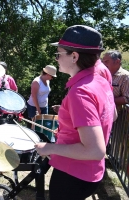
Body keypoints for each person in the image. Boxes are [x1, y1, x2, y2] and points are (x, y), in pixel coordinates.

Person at [35, 25, 115, 200]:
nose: (56, 59)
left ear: (74, 56)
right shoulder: (100, 81)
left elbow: (95, 150)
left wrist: (50, 147)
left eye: (58, 54)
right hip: (91, 173)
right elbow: (112, 115)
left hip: (73, 174)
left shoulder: (80, 92)